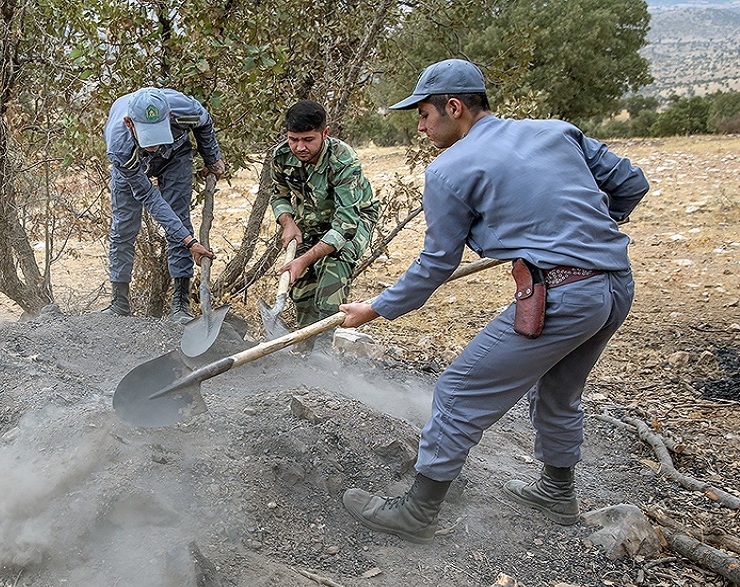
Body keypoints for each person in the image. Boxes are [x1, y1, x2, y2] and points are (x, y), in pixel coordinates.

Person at [338, 59, 649, 543]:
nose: (420, 126)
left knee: (458, 391)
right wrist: (583, 232)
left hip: (564, 295)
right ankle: (557, 492)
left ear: (454, 107)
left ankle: (417, 513)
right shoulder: (557, 131)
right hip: (613, 286)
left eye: (423, 114)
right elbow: (631, 184)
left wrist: (376, 307)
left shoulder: (448, 169)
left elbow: (436, 263)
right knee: (559, 391)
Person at [99, 87, 224, 324]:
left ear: (168, 117)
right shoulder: (119, 145)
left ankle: (180, 304)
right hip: (132, 163)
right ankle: (119, 303)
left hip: (175, 156)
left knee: (179, 217)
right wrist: (190, 242)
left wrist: (211, 158)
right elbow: (149, 197)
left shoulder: (185, 111)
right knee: (124, 226)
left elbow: (204, 123)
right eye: (148, 137)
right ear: (129, 123)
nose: (153, 146)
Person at [271, 100, 379, 349]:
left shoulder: (343, 160)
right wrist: (288, 223)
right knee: (301, 291)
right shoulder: (281, 156)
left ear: (325, 133)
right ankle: (306, 348)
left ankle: (322, 353)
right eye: (293, 139)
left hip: (353, 220)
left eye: (308, 139)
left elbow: (345, 224)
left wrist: (303, 259)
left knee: (333, 274)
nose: (300, 147)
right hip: (310, 220)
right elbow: (279, 195)